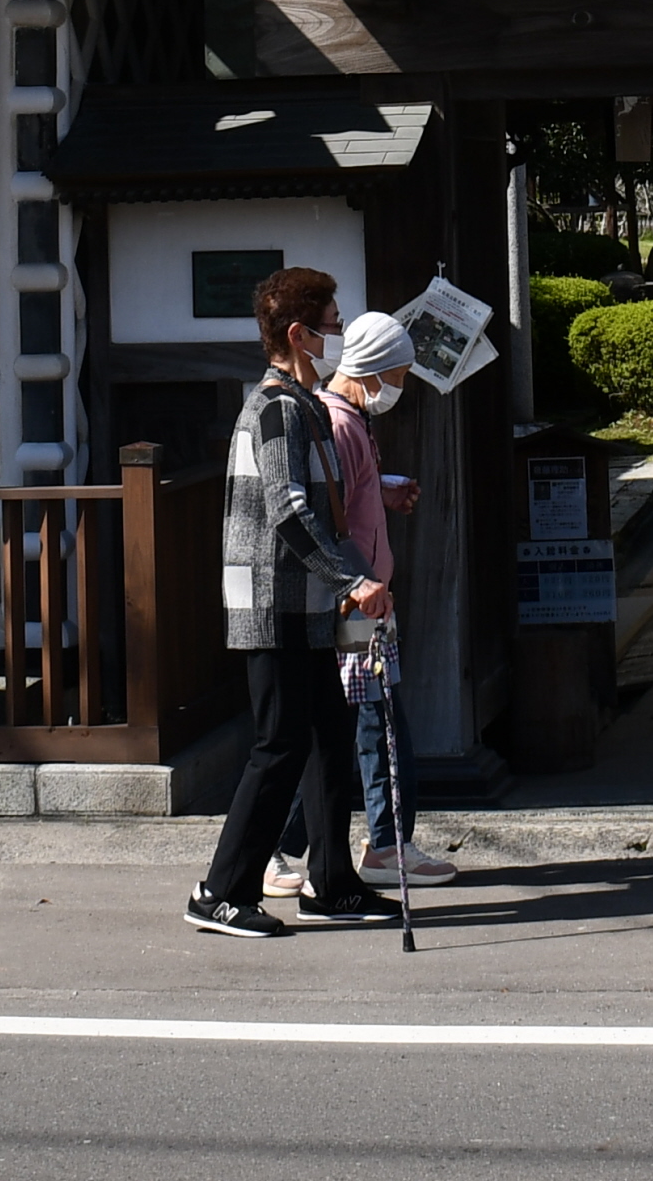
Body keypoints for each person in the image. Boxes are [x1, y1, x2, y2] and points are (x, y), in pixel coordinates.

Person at [188, 265, 387, 937]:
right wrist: (353, 580)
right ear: (298, 334)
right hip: (273, 605)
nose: (337, 334)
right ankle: (219, 890)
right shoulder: (276, 409)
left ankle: (332, 883)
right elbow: (291, 512)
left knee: (329, 740)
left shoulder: (304, 408)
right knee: (278, 746)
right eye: (330, 325)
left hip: (301, 605)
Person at [265, 310, 457, 898]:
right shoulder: (338, 423)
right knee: (372, 728)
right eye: (396, 374)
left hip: (362, 599)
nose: (398, 386)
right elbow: (326, 515)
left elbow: (348, 500)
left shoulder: (347, 419)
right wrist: (358, 585)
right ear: (371, 371)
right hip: (357, 603)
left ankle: (302, 846)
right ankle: (375, 844)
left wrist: (386, 486)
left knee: (353, 731)